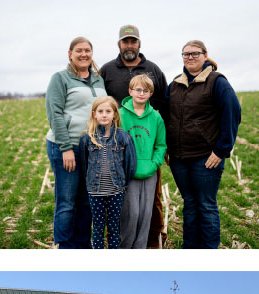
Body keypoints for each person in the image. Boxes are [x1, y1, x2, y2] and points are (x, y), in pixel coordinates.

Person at [166, 40, 241, 248]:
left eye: (195, 53)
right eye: (186, 54)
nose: (190, 57)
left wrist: (221, 150)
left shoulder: (217, 82)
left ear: (205, 55)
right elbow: (164, 116)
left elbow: (232, 114)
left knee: (206, 205)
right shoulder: (174, 84)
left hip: (206, 158)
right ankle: (190, 249)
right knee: (189, 204)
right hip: (179, 158)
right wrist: (165, 147)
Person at [100, 24, 169, 247]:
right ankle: (120, 244)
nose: (129, 45)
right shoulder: (107, 70)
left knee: (152, 202)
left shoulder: (154, 69)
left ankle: (152, 242)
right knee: (123, 204)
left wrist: (161, 151)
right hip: (119, 156)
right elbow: (100, 106)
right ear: (119, 44)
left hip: (148, 149)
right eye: (125, 41)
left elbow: (164, 107)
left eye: (133, 41)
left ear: (139, 43)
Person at [45, 37, 106, 248]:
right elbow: (55, 115)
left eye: (87, 50)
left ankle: (82, 244)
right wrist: (65, 148)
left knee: (86, 201)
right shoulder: (60, 78)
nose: (83, 54)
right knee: (67, 202)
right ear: (70, 53)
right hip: (66, 146)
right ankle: (65, 246)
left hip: (91, 147)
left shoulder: (98, 79)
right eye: (79, 50)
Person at [76, 95, 136, 249]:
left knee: (114, 226)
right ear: (94, 114)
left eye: (108, 111)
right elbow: (84, 165)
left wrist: (122, 184)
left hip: (116, 190)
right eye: (100, 111)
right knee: (97, 225)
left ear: (114, 114)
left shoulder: (123, 137)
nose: (104, 114)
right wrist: (88, 183)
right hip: (95, 190)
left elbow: (130, 165)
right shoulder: (87, 138)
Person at [118, 75, 166, 249]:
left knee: (146, 214)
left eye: (145, 90)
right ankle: (125, 248)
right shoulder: (120, 114)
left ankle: (140, 249)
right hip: (128, 172)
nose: (141, 93)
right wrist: (122, 165)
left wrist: (154, 164)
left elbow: (161, 145)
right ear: (130, 91)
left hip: (149, 172)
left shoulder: (155, 117)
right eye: (138, 89)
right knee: (131, 213)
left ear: (150, 94)